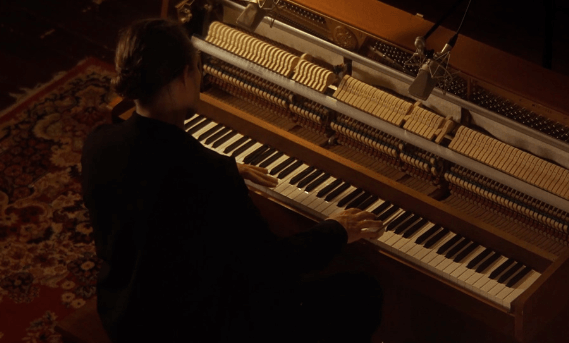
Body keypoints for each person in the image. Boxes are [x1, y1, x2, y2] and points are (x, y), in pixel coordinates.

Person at [81, 18, 385, 343]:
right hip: (196, 330)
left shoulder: (99, 143)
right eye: (198, 68)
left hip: (127, 315)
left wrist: (225, 171)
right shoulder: (206, 175)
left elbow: (151, 188)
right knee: (361, 290)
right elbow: (272, 266)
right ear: (185, 75)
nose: (200, 76)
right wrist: (336, 230)